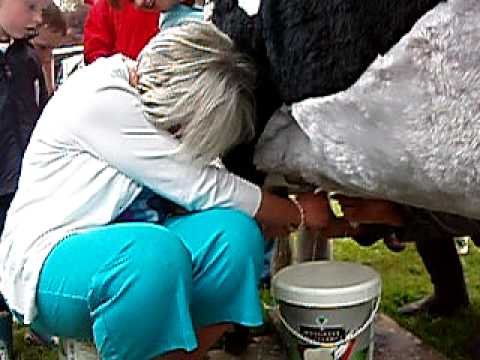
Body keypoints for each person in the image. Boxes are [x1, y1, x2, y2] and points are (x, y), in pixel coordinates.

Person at [0, 21, 368, 360]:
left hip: (128, 251)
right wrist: (298, 213)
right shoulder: (103, 98)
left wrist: (270, 215)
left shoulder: (147, 97)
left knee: (234, 237)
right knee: (152, 256)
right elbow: (203, 184)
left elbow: (211, 184)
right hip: (50, 264)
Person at [83, 0, 160, 64]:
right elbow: (94, 54)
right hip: (121, 77)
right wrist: (124, 68)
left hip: (164, 71)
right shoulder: (105, 6)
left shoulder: (168, 6)